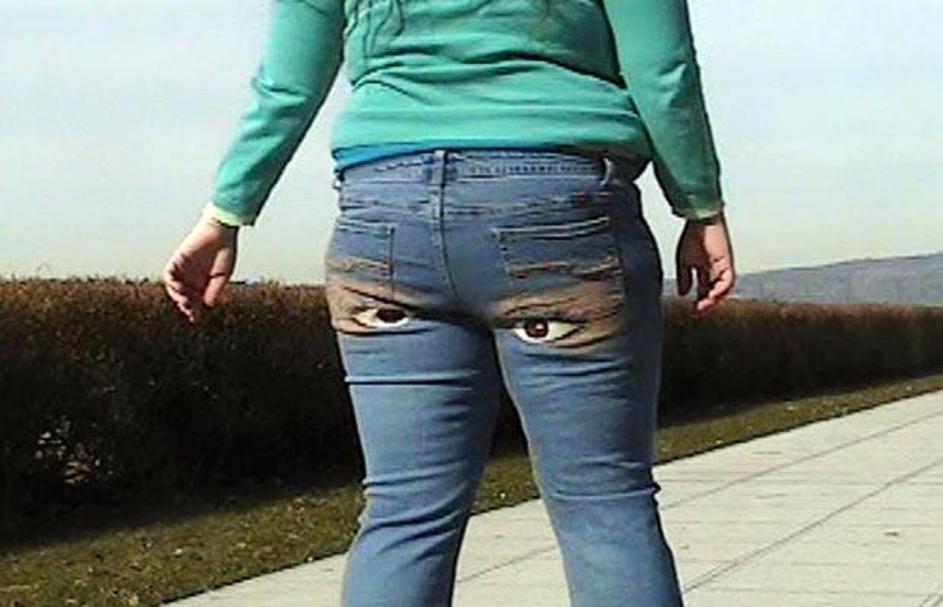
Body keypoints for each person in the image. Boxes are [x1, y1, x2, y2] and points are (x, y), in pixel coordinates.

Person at [162, 0, 736, 604]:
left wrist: (225, 214)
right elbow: (663, 70)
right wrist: (699, 206)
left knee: (404, 511)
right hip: (557, 208)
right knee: (604, 503)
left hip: (383, 216)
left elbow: (286, 86)